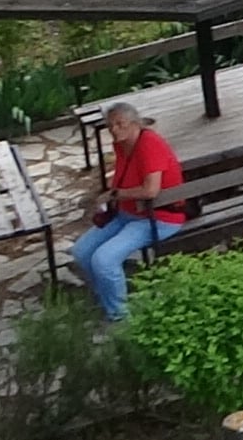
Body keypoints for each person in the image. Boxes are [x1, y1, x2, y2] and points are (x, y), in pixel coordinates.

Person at [74, 102, 186, 318]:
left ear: (134, 124)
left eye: (120, 124)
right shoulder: (122, 144)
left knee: (104, 259)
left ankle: (119, 316)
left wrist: (115, 195)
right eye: (110, 126)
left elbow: (150, 190)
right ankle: (106, 296)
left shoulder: (149, 145)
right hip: (127, 213)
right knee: (82, 251)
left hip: (158, 216)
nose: (114, 130)